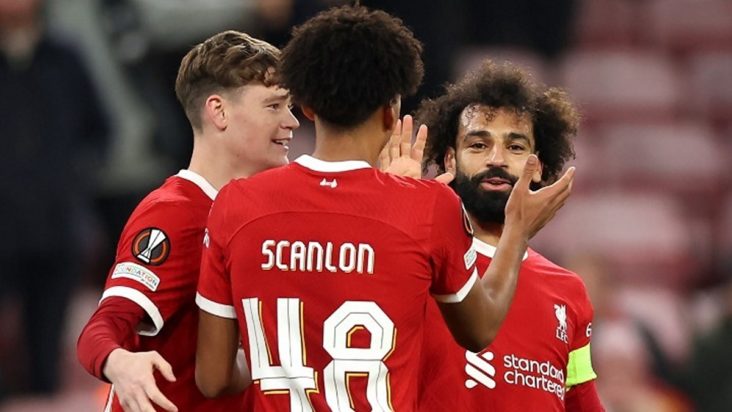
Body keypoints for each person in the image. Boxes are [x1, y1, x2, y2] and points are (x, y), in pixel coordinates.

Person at [194, 5, 574, 410]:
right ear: (392, 110)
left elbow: (213, 378)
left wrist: (274, 363)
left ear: (307, 108)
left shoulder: (236, 204)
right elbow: (479, 331)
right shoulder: (428, 207)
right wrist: (517, 230)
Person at [76, 30, 299, 412]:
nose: (292, 121)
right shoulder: (173, 216)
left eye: (289, 106)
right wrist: (120, 362)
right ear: (219, 111)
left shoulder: (264, 213)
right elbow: (105, 325)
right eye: (274, 106)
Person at [415, 60, 603, 411]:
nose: (497, 159)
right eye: (478, 145)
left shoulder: (569, 291)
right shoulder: (420, 266)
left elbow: (582, 402)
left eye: (515, 147)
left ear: (539, 167)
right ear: (450, 160)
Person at [0, 0, 109, 396]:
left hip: (55, 224)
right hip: (4, 222)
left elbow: (100, 129)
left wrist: (72, 179)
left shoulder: (64, 58)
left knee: (45, 350)